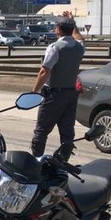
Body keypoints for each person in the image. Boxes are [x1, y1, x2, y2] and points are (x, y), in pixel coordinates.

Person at [29, 11, 85, 158]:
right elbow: (79, 38)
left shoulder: (55, 47)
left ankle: (36, 161)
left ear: (59, 29)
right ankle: (63, 163)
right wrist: (73, 24)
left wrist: (34, 91)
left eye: (56, 27)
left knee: (41, 130)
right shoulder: (79, 47)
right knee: (67, 132)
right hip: (71, 94)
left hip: (54, 94)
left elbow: (44, 71)